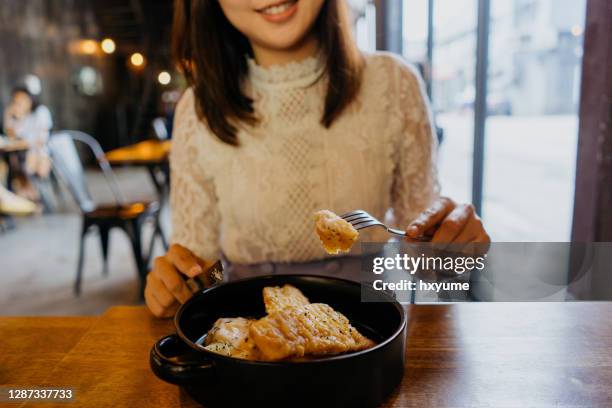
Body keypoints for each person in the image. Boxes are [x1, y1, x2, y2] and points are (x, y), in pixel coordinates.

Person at [145, 0, 490, 317]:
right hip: (251, 339)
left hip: (371, 330)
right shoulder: (198, 109)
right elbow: (206, 271)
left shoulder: (394, 84)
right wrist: (180, 284)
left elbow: (426, 262)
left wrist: (450, 254)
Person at [2, 86, 53, 200]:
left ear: (30, 99)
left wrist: (22, 143)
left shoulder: (41, 111)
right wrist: (9, 115)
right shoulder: (21, 115)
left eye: (22, 99)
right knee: (12, 159)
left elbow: (41, 139)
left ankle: (28, 195)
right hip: (20, 153)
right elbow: (11, 136)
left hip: (40, 153)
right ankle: (18, 194)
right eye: (16, 100)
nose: (18, 102)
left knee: (20, 159)